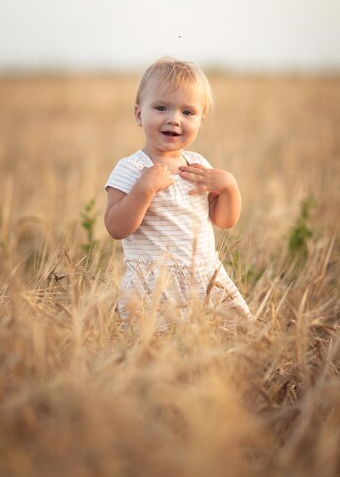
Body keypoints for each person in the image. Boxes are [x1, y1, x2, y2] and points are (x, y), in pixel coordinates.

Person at [104, 56, 252, 327]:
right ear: (139, 113)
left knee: (234, 335)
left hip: (205, 277)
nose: (174, 119)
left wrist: (229, 187)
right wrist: (144, 189)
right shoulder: (132, 169)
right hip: (155, 283)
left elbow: (225, 221)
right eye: (161, 108)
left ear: (201, 119)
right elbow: (116, 227)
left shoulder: (198, 166)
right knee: (156, 345)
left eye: (188, 112)